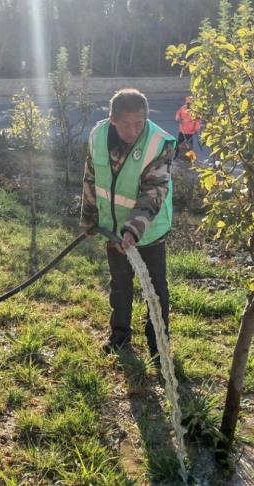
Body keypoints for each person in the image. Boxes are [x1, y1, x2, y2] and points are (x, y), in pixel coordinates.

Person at [80, 88, 176, 358]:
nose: (133, 131)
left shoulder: (159, 143)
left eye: (139, 123)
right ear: (112, 119)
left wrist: (133, 230)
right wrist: (89, 218)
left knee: (156, 290)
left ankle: (158, 344)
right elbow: (90, 178)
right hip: (112, 229)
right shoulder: (98, 137)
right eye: (125, 124)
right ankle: (119, 337)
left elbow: (153, 192)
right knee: (120, 284)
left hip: (149, 230)